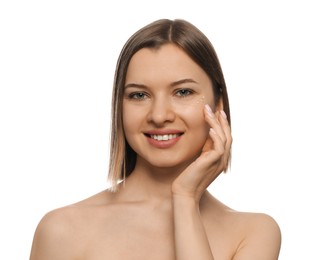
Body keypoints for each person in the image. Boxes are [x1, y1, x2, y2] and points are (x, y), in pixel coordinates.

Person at [30, 18, 281, 259]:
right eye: (139, 95)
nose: (159, 115)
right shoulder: (62, 230)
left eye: (183, 92)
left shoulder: (253, 233)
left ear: (218, 106)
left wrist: (184, 198)